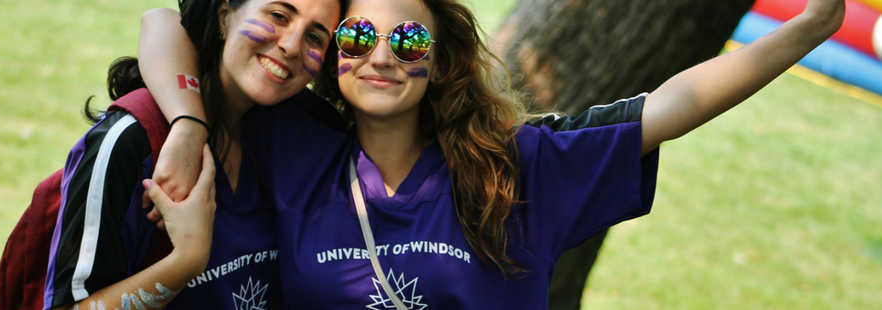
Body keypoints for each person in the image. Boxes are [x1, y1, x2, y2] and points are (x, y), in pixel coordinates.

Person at [138, 0, 845, 308]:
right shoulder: (292, 142)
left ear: (438, 59)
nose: (382, 56)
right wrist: (188, 124)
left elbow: (673, 105)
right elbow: (163, 23)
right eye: (356, 38)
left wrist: (814, 24)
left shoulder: (519, 165)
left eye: (408, 41)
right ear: (331, 59)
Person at [42, 0, 343, 309]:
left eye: (315, 37)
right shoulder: (130, 141)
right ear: (225, 15)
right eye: (279, 16)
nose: (292, 46)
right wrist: (186, 261)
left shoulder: (301, 137)